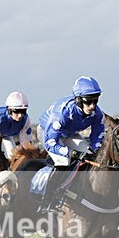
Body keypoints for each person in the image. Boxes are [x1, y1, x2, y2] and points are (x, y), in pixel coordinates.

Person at [36, 75, 105, 212]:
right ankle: (47, 200)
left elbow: (97, 138)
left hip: (69, 133)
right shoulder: (62, 113)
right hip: (48, 133)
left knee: (89, 156)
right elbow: (51, 143)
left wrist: (96, 149)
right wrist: (71, 153)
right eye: (88, 101)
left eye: (95, 100)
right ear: (78, 99)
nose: (92, 106)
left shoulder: (97, 114)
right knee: (63, 160)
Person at [0, 91, 34, 159]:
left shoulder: (25, 119)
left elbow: (27, 143)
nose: (20, 115)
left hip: (7, 135)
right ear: (9, 110)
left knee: (12, 156)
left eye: (23, 111)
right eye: (17, 111)